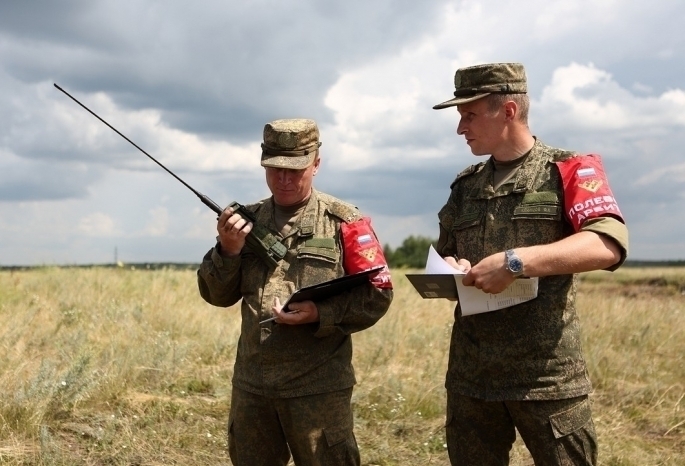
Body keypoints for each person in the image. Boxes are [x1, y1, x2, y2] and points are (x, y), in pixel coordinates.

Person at [432, 63, 629, 465]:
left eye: (469, 115)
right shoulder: (465, 187)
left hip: (547, 377)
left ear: (507, 110)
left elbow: (606, 243)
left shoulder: (568, 169)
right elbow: (447, 251)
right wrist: (452, 265)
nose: (460, 128)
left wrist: (516, 261)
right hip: (473, 376)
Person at [197, 118, 393, 466]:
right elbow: (216, 295)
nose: (284, 179)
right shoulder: (245, 222)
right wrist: (227, 250)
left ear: (316, 163)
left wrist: (320, 314)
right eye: (274, 169)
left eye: (295, 170)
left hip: (317, 389)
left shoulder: (345, 222)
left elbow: (377, 295)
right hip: (253, 388)